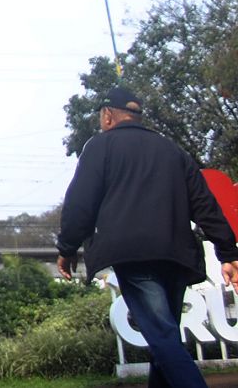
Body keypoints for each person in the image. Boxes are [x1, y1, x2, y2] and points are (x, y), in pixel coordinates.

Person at [57, 86, 238, 388]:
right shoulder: (172, 150)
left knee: (162, 337)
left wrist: (67, 248)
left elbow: (80, 204)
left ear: (107, 115)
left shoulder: (100, 147)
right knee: (164, 338)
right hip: (177, 256)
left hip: (134, 256)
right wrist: (228, 252)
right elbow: (204, 204)